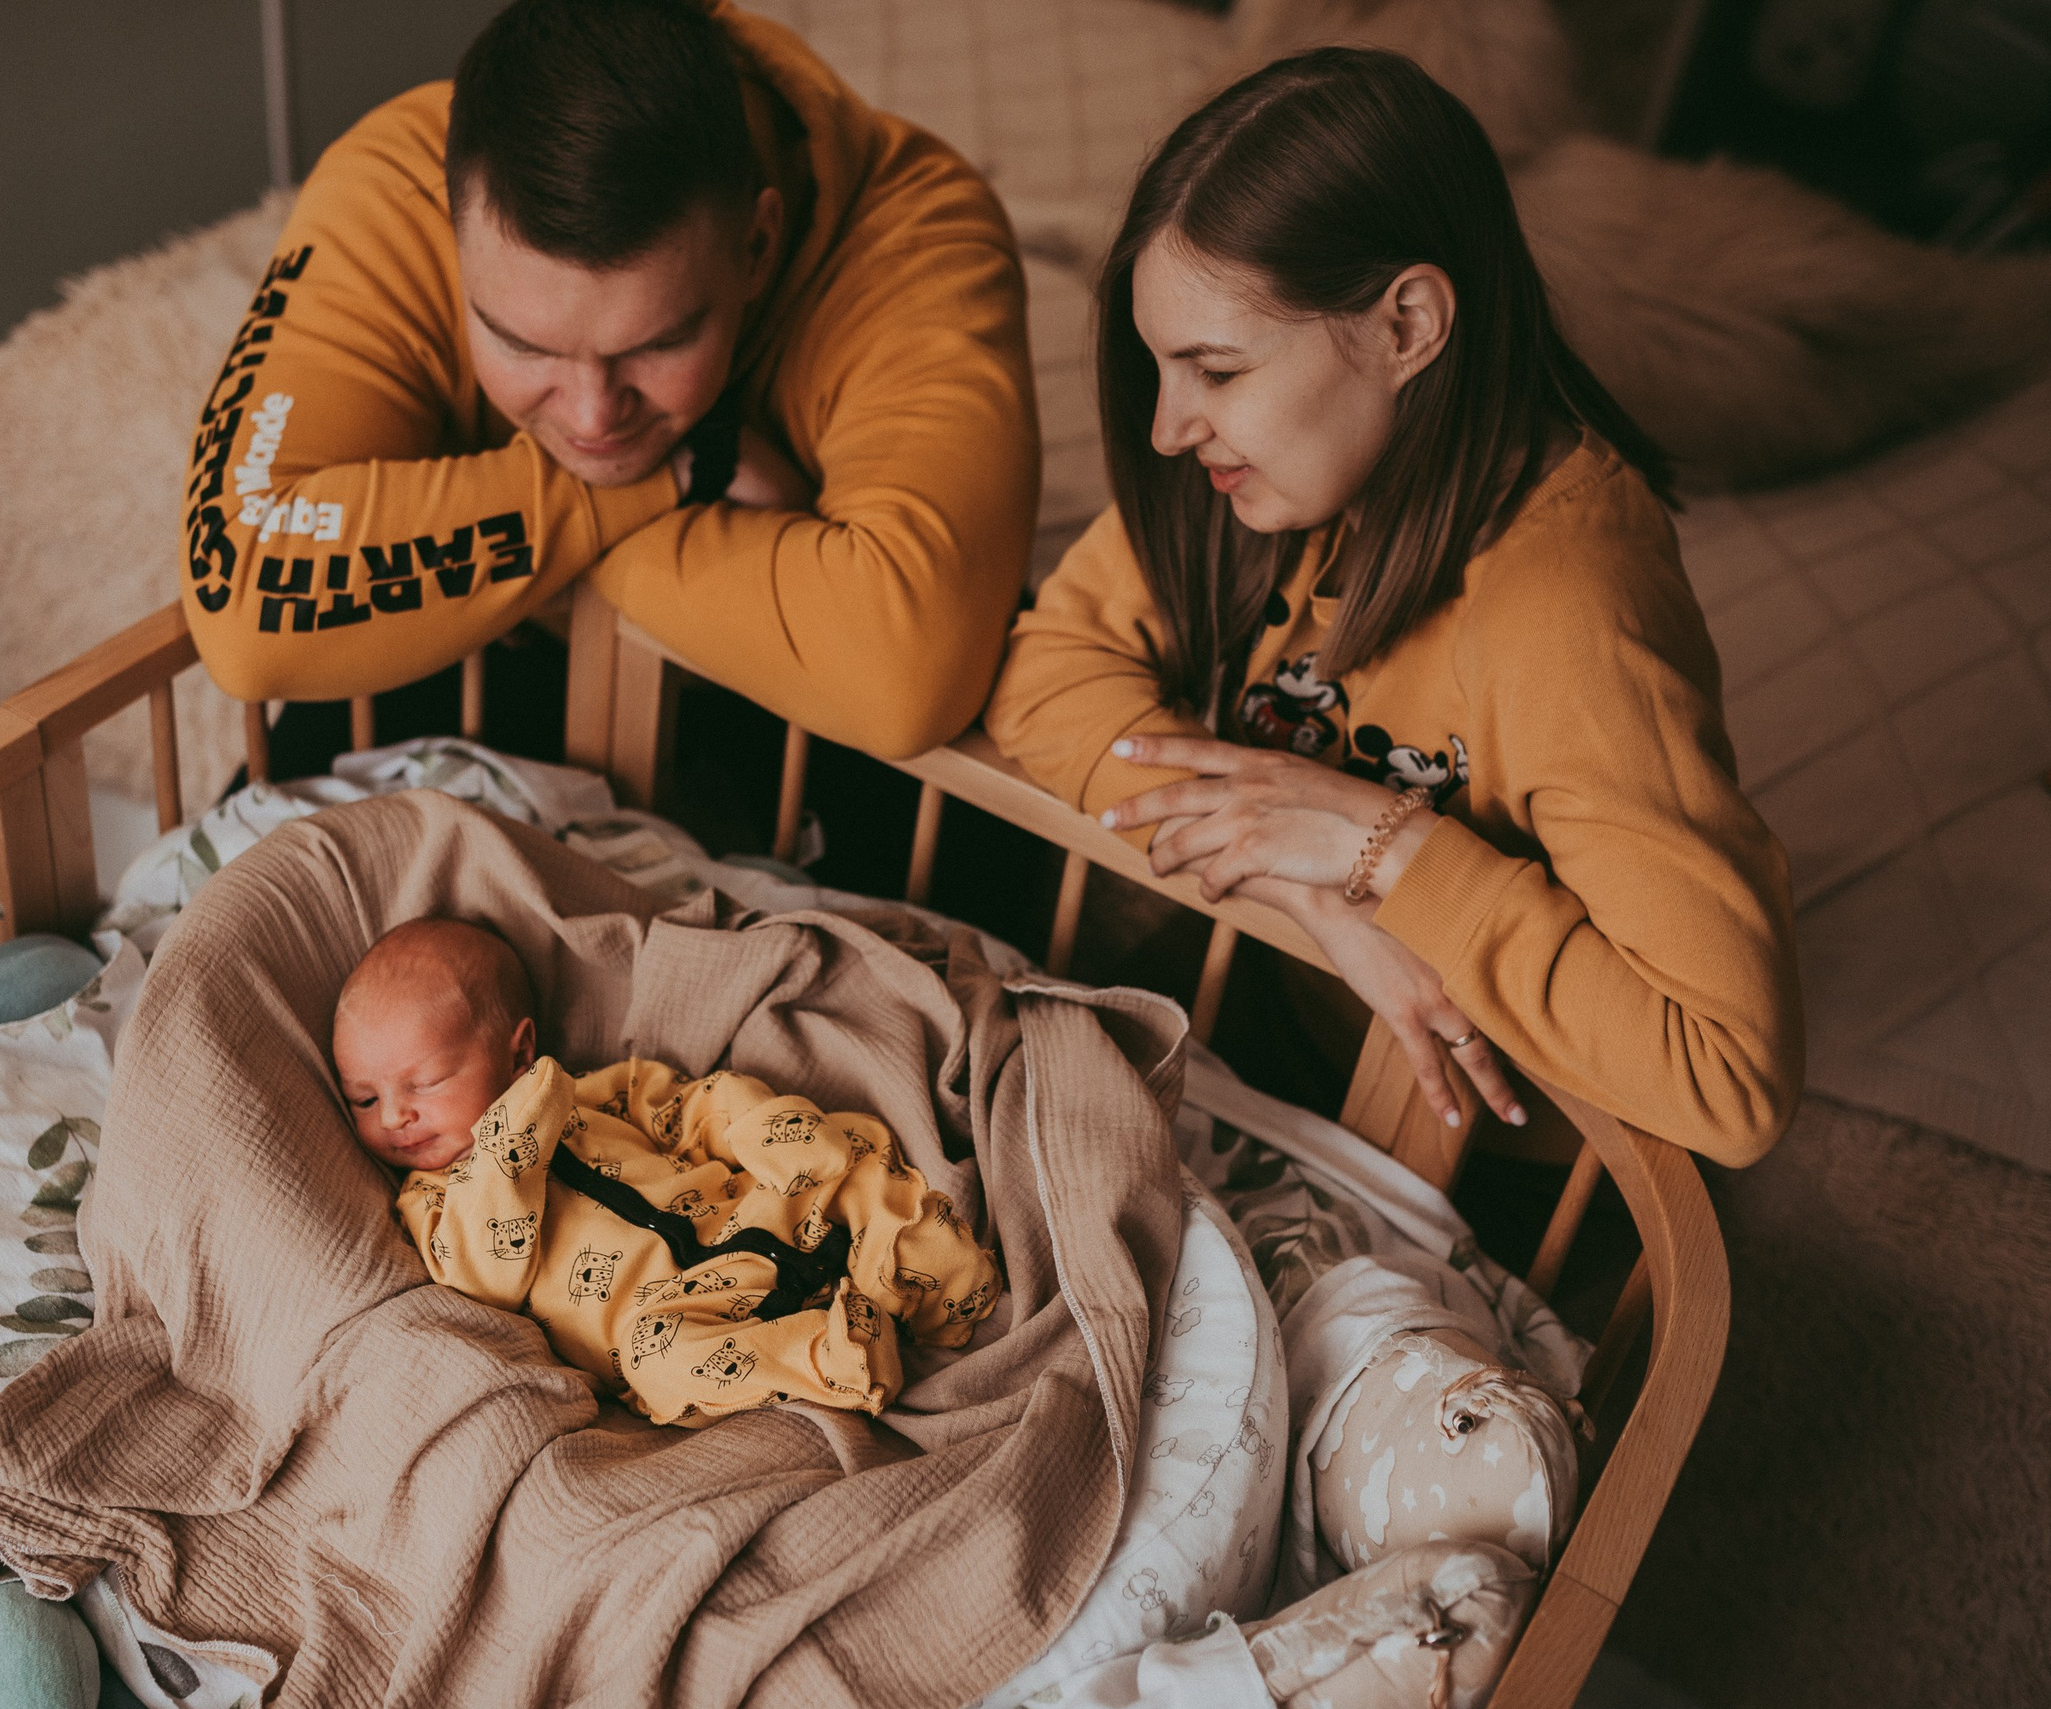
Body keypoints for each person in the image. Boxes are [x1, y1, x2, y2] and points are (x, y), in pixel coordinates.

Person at [985, 47, 1803, 1168]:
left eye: (1217, 373)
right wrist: (1306, 884)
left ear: (1407, 326)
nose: (1169, 427)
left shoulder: (1569, 613)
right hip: (1284, 1014)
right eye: (1160, 368)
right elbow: (1047, 667)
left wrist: (1387, 850)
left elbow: (1729, 1074)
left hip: (1483, 1137)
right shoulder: (1264, 477)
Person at [184, 0, 1037, 761]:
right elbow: (242, 606)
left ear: (758, 245)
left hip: (777, 743)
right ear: (452, 237)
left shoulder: (920, 236)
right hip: (474, 676)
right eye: (523, 344)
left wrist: (500, 534)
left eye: (659, 342)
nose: (595, 416)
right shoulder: (393, 183)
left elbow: (903, 677)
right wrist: (671, 480)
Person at [333, 919, 1002, 1424]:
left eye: (425, 1082)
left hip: (750, 1213)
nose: (394, 1115)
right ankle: (835, 1352)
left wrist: (760, 1129)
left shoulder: (594, 1093)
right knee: (663, 1365)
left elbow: (693, 1106)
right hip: (678, 1313)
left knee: (840, 1148)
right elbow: (483, 1279)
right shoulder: (431, 1200)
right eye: (364, 1098)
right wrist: (507, 1153)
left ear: (520, 1053)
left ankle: (931, 1272)